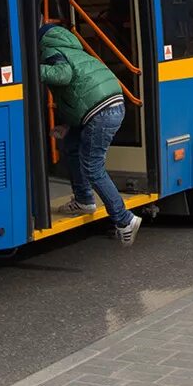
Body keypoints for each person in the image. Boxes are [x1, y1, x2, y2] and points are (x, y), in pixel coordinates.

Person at [38, 23, 142, 245]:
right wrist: (68, 126)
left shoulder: (50, 50)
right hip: (109, 105)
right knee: (71, 145)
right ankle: (85, 200)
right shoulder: (72, 49)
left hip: (100, 111)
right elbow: (80, 92)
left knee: (93, 168)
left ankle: (125, 220)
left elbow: (63, 76)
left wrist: (30, 70)